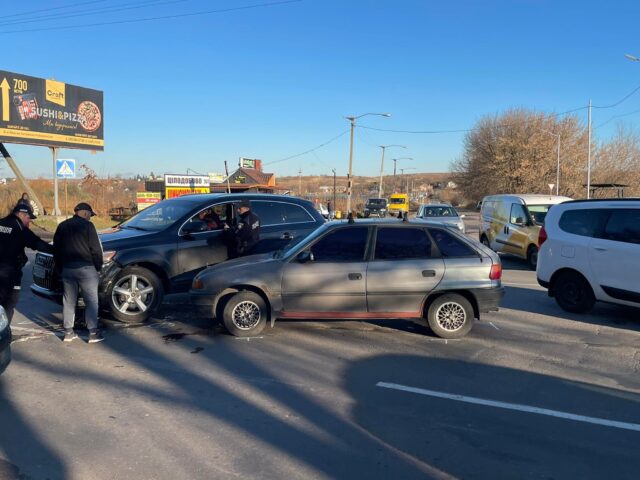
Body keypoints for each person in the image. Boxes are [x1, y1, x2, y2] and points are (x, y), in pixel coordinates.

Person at [53, 202, 104, 343]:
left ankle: (68, 332)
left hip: (68, 269)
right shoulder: (88, 226)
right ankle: (93, 333)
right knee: (91, 301)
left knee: (69, 301)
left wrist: (60, 268)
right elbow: (95, 249)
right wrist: (98, 267)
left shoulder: (62, 226)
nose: (90, 218)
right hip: (86, 268)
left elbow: (56, 249)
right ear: (86, 213)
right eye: (90, 215)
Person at [0, 203, 53, 323]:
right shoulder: (20, 228)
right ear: (21, 214)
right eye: (28, 218)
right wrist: (59, 251)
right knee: (9, 304)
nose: (29, 221)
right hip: (9, 275)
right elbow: (38, 244)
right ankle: (3, 332)